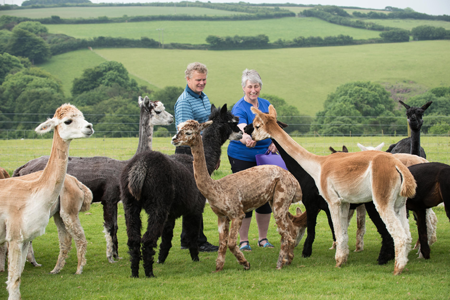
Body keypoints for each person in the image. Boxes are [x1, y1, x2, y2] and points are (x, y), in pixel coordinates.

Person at [227, 68, 277, 251]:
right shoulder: (239, 107)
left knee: (265, 197)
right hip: (242, 156)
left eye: (256, 86)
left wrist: (275, 143)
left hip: (264, 156)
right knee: (246, 198)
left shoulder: (266, 105)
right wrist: (246, 138)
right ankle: (244, 241)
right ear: (243, 88)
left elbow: (273, 128)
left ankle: (263, 239)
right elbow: (240, 128)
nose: (253, 90)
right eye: (250, 87)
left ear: (260, 87)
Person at [174, 62, 219, 252]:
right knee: (194, 197)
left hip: (202, 153)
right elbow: (186, 133)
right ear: (188, 79)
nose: (201, 83)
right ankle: (195, 240)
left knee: (198, 195)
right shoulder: (184, 101)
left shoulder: (203, 97)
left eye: (204, 79)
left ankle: (192, 238)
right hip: (188, 154)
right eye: (198, 80)